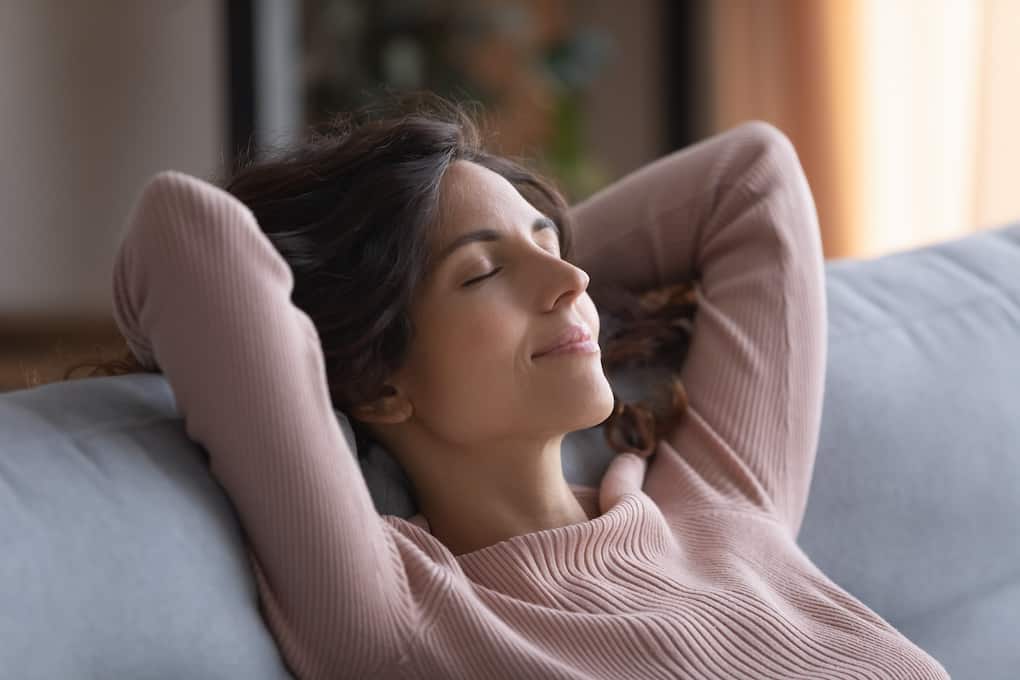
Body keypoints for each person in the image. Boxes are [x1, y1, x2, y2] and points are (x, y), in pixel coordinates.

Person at [88, 91, 950, 678]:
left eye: (553, 241)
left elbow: (750, 175)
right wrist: (363, 317)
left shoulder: (720, 506)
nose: (571, 279)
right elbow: (185, 231)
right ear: (379, 384)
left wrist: (524, 274)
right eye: (478, 275)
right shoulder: (397, 616)